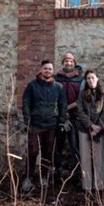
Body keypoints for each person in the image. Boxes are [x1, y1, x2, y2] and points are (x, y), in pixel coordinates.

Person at [21, 60, 67, 193]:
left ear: (53, 71)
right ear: (41, 70)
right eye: (45, 68)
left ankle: (44, 178)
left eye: (50, 69)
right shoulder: (32, 86)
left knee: (47, 153)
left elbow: (63, 105)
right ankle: (28, 178)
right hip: (35, 124)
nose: (48, 71)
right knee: (32, 152)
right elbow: (26, 103)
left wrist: (61, 120)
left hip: (51, 125)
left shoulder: (58, 87)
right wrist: (27, 120)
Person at [75, 70, 104, 194]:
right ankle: (87, 187)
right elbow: (80, 111)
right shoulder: (82, 94)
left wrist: (98, 127)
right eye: (88, 78)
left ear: (97, 79)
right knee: (85, 159)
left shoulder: (103, 94)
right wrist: (90, 126)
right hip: (84, 130)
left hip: (99, 132)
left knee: (99, 159)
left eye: (93, 78)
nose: (91, 80)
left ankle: (99, 187)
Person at [54, 52, 84, 182]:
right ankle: (57, 175)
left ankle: (77, 176)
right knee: (57, 147)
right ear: (63, 62)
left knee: (75, 147)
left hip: (74, 118)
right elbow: (53, 96)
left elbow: (80, 100)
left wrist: (66, 108)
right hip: (59, 118)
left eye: (71, 61)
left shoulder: (80, 79)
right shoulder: (56, 78)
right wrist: (61, 112)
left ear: (74, 63)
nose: (68, 63)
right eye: (66, 61)